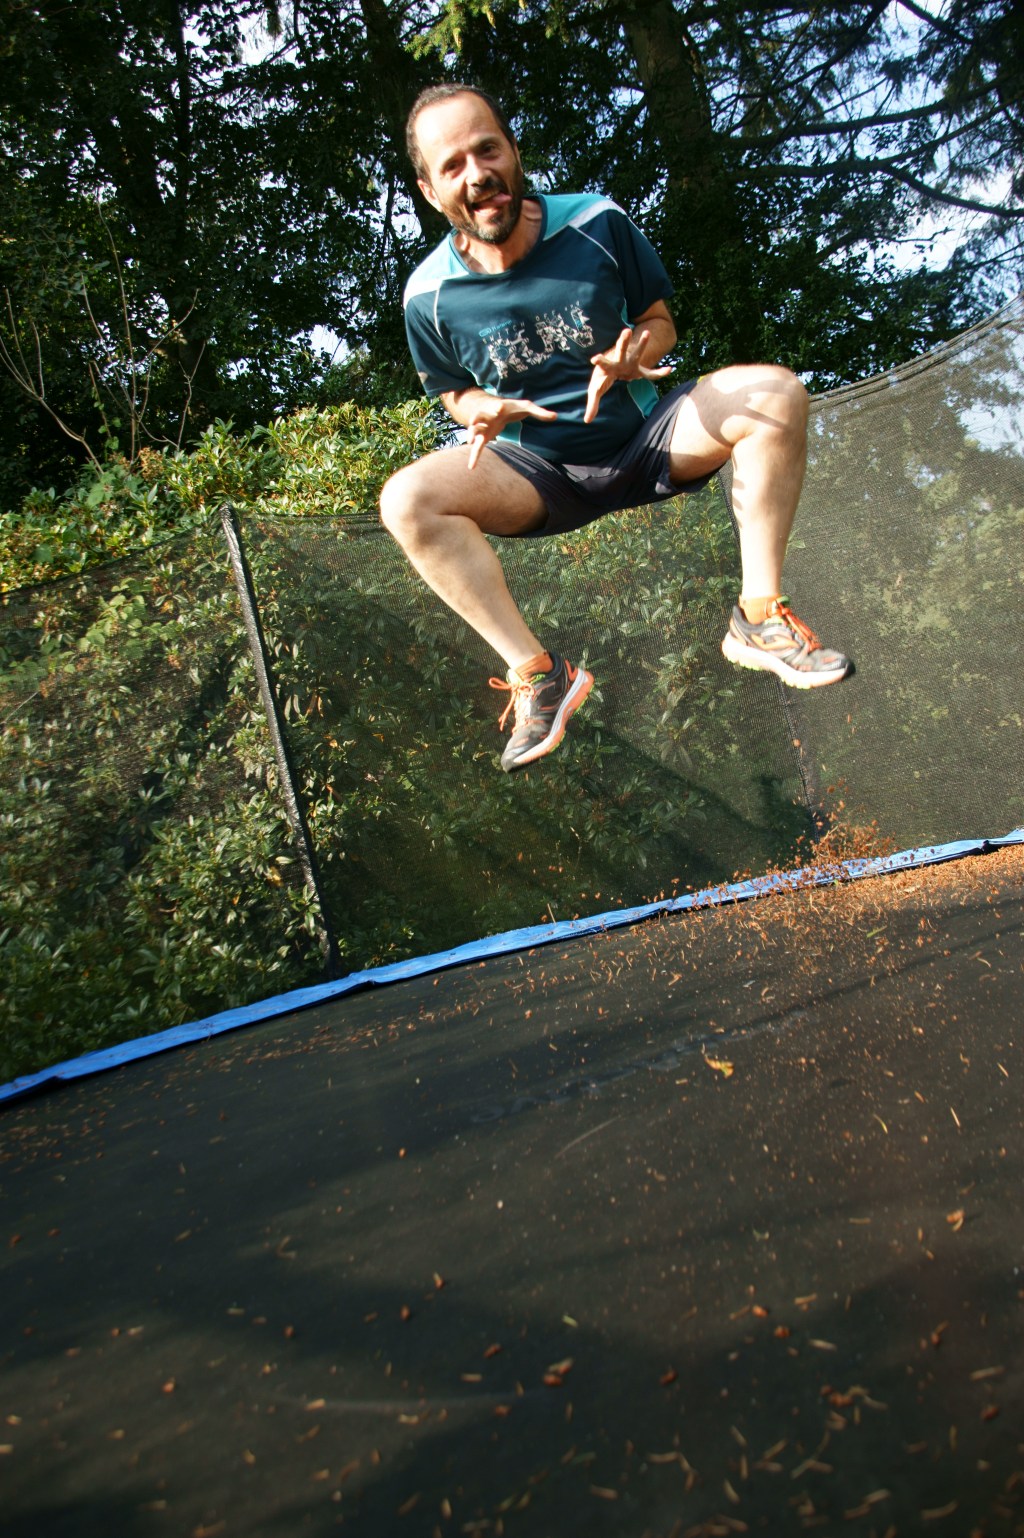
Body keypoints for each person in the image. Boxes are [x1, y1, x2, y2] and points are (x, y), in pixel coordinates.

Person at [380, 83, 852, 773]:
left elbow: (660, 322)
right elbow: (452, 391)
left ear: (513, 152)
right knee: (405, 499)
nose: (477, 173)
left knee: (776, 393)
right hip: (536, 472)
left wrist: (638, 350)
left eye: (488, 149)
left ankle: (759, 616)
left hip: (646, 435)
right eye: (453, 165)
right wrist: (473, 408)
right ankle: (540, 676)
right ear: (430, 190)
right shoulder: (428, 295)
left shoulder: (596, 223)